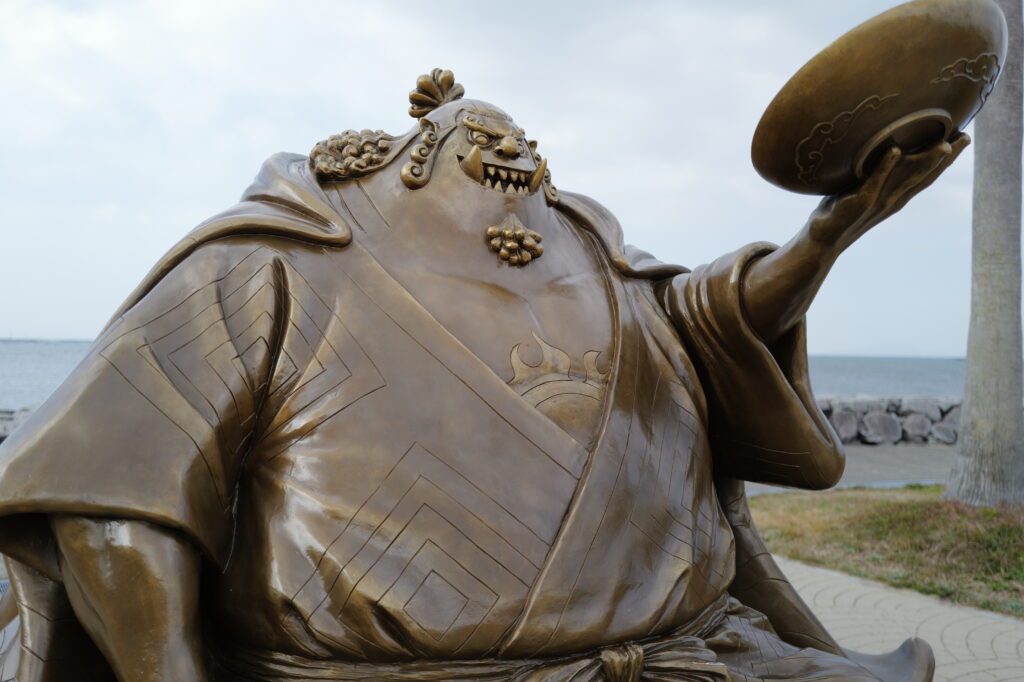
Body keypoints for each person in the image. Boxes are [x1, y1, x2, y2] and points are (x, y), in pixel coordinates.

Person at [0, 70, 964, 681]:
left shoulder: (604, 261)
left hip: (694, 658)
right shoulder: (267, 266)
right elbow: (109, 492)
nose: (510, 149)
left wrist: (824, 236)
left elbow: (710, 316)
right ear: (410, 156)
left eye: (523, 144)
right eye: (479, 137)